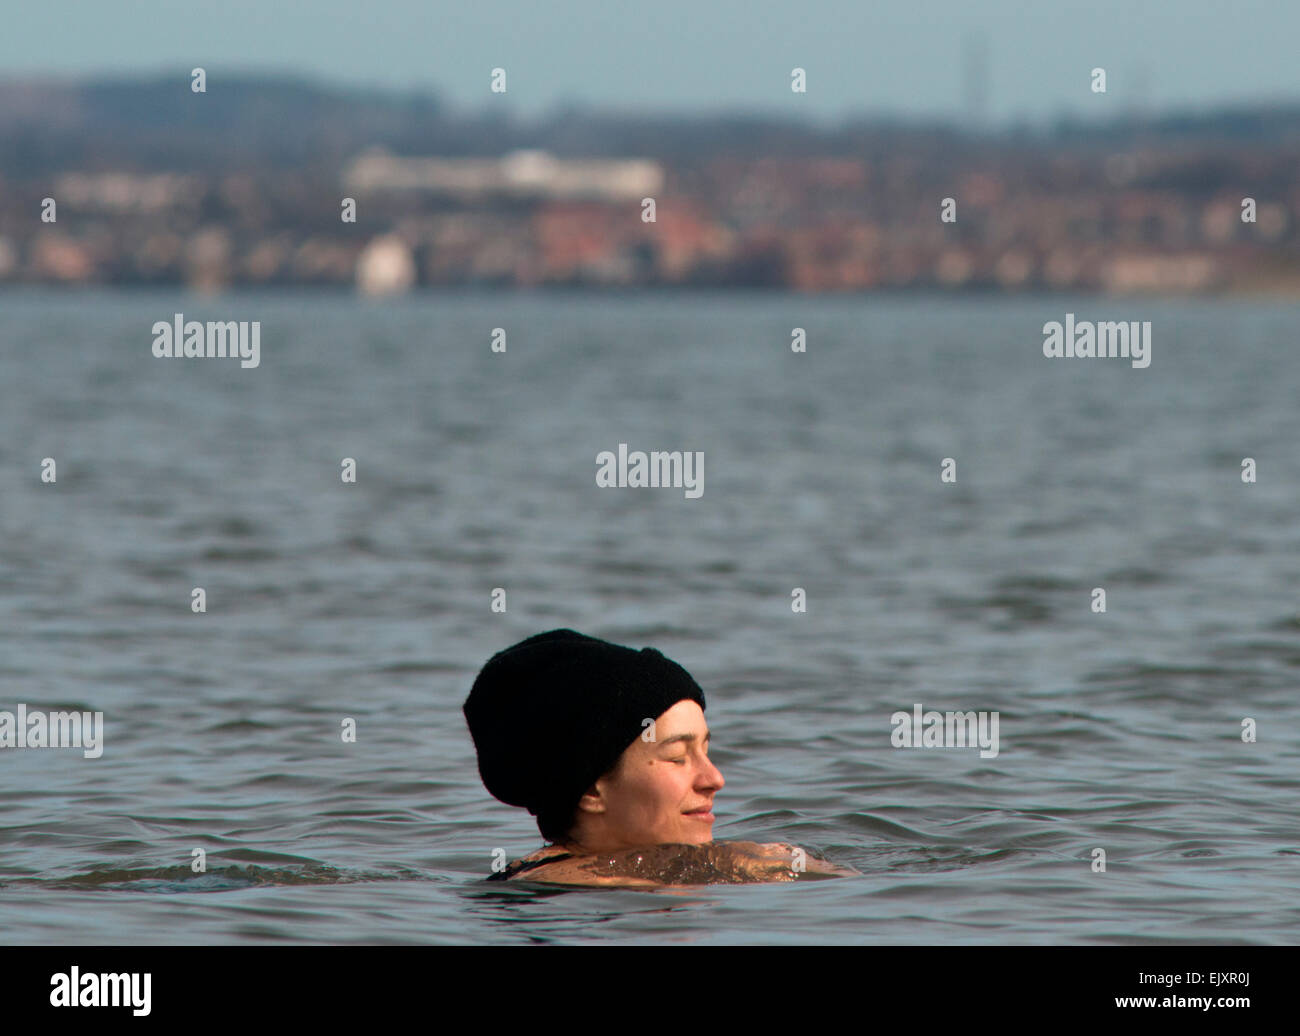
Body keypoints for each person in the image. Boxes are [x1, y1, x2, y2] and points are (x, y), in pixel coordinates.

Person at [463, 628, 858, 887]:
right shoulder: (607, 883)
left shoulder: (525, 877)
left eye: (705, 749)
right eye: (676, 757)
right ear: (591, 791)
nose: (714, 778)